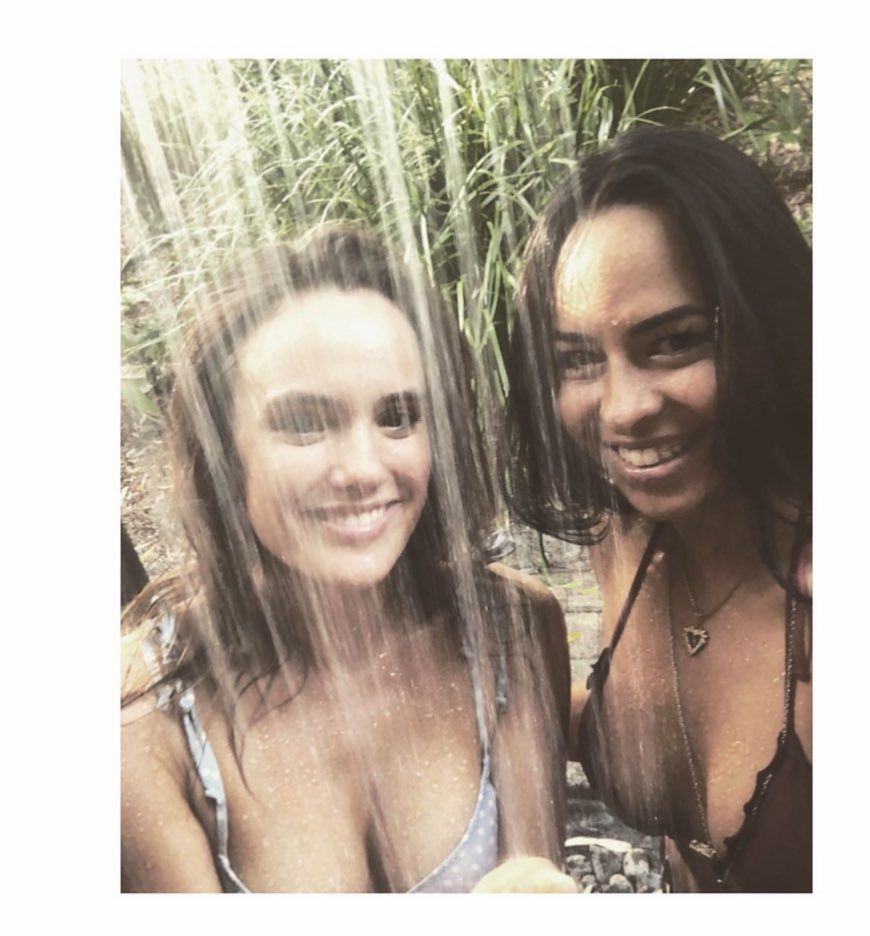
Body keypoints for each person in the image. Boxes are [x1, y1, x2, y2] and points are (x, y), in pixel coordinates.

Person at [121, 226, 574, 893]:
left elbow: (534, 886)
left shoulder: (510, 631)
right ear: (222, 451)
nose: (363, 469)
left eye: (398, 416)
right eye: (305, 422)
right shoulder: (143, 716)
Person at [504, 126, 811, 892]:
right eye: (579, 360)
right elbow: (635, 731)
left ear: (767, 325)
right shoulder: (626, 537)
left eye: (673, 342)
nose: (622, 409)